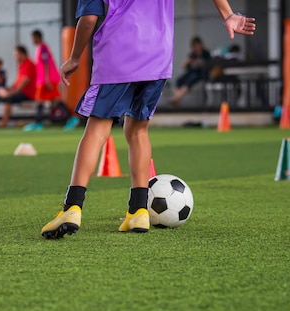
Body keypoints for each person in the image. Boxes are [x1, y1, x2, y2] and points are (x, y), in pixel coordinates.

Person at [41, 0, 256, 239]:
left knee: (97, 129)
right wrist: (227, 15)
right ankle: (139, 211)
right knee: (138, 131)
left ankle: (72, 207)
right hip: (157, 55)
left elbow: (89, 19)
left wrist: (74, 57)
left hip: (118, 52)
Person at [23, 29, 62, 131]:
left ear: (37, 37)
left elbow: (46, 64)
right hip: (44, 79)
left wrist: (47, 79)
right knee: (54, 99)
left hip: (47, 79)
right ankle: (39, 122)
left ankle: (38, 123)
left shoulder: (43, 48)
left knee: (43, 100)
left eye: (33, 38)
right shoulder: (40, 48)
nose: (32, 40)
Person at [0, 45, 37, 128]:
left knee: (8, 99)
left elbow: (25, 81)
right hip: (19, 91)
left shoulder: (29, 64)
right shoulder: (21, 65)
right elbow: (18, 81)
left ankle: (4, 122)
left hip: (27, 93)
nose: (15, 57)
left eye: (16, 55)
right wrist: (11, 88)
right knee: (0, 90)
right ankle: (6, 95)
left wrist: (15, 91)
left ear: (22, 54)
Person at [168, 37, 212, 106]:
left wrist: (199, 63)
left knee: (190, 79)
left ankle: (177, 98)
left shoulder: (206, 54)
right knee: (178, 80)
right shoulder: (192, 55)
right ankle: (177, 99)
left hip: (200, 74)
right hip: (190, 72)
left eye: (197, 45)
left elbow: (208, 65)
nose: (196, 48)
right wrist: (188, 61)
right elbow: (183, 67)